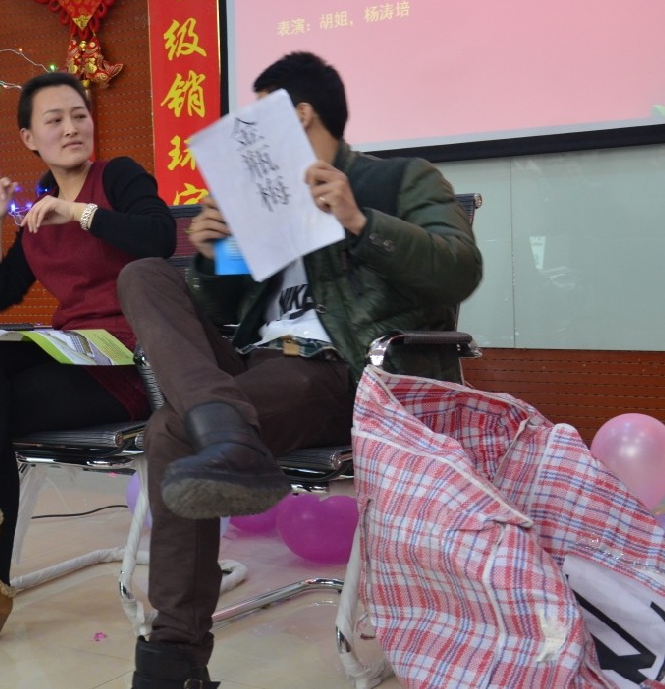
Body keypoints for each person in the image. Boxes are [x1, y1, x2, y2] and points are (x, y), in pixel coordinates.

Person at [116, 51, 483, 687]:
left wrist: (358, 221)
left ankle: (172, 660)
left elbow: (460, 269)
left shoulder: (397, 180)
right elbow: (221, 312)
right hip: (255, 368)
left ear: (300, 114)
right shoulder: (259, 200)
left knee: (170, 432)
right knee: (144, 273)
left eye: (258, 118)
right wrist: (214, 256)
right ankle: (225, 428)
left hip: (338, 370)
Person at [0, 70, 176, 641]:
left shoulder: (116, 177)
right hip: (74, 353)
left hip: (128, 362)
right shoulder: (39, 208)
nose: (71, 128)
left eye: (79, 116)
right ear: (28, 137)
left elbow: (159, 237)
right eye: (55, 120)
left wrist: (79, 213)